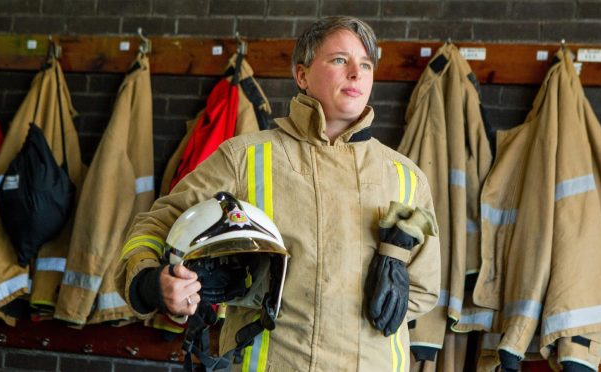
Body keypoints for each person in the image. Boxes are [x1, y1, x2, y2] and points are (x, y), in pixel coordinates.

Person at [117, 16, 441, 371]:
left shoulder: (405, 177)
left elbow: (424, 291)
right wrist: (151, 283)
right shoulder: (245, 159)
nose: (356, 73)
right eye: (339, 60)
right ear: (301, 75)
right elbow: (154, 225)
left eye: (365, 64)